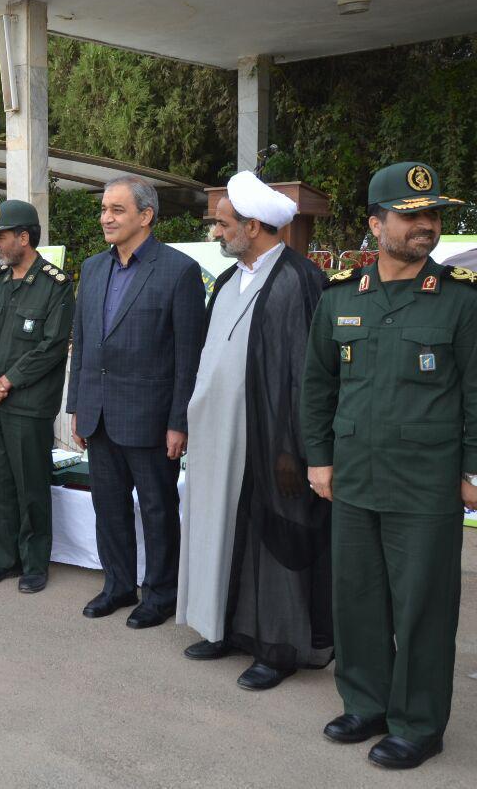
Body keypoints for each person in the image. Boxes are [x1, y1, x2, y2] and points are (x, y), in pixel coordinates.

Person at [301, 162, 476, 769]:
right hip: (353, 476)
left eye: (431, 215)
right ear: (377, 225)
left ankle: (419, 723)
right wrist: (318, 459)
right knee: (357, 598)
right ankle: (367, 702)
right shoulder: (341, 297)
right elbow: (317, 386)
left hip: (427, 480)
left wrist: (474, 471)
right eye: (411, 215)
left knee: (422, 607)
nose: (426, 225)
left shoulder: (461, 301)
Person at [176, 172, 332, 691]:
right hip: (219, 439)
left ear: (255, 226)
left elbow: (311, 374)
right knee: (218, 527)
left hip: (274, 443)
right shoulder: (226, 280)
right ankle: (222, 627)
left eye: (223, 225)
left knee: (274, 538)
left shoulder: (300, 279)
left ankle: (278, 646)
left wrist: (300, 448)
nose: (216, 233)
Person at [66, 175, 205, 628]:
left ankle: (161, 594)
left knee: (158, 510)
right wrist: (77, 407)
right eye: (104, 208)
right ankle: (118, 585)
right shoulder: (92, 268)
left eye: (117, 210)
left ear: (145, 216)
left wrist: (179, 421)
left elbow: (188, 356)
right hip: (99, 414)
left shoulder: (178, 271)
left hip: (150, 419)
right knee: (108, 506)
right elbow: (83, 344)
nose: (106, 217)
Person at [0, 200, 74, 594]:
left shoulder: (55, 284)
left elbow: (51, 346)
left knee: (30, 487)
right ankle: (1, 560)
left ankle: (33, 565)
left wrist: (6, 381)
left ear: (24, 238)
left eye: (1, 236)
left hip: (27, 406)